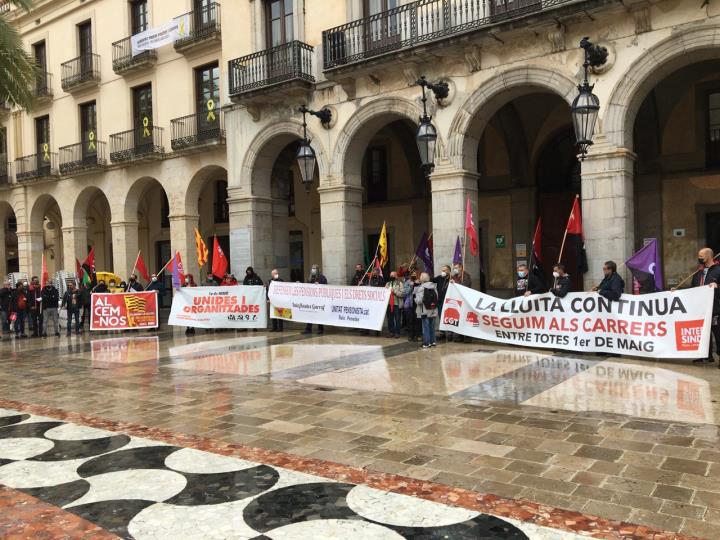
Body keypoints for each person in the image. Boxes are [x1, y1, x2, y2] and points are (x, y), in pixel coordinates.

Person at [685, 248, 720, 365]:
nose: (699, 259)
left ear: (709, 256)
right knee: (703, 333)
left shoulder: (718, 270)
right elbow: (692, 289)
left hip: (715, 309)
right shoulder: (698, 273)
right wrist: (677, 292)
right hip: (700, 309)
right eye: (698, 256)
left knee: (717, 333)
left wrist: (717, 286)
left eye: (701, 256)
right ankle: (706, 355)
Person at [415, 272, 438, 349]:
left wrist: (415, 298)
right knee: (432, 327)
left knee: (425, 327)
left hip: (424, 310)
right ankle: (433, 342)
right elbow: (436, 298)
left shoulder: (421, 288)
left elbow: (419, 301)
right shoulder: (434, 286)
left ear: (422, 279)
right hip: (433, 309)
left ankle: (426, 343)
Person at [302, 264, 327, 335]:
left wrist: (319, 284)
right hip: (311, 299)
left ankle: (320, 329)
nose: (313, 270)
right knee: (310, 314)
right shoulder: (310, 277)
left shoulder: (322, 277)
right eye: (312, 268)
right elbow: (307, 285)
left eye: (314, 268)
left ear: (317, 269)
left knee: (319, 314)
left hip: (319, 299)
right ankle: (308, 329)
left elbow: (325, 285)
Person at [385, 271, 405, 338]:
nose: (391, 277)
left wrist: (395, 291)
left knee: (397, 319)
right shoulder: (388, 283)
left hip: (397, 304)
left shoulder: (400, 284)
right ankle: (391, 332)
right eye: (391, 275)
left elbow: (402, 294)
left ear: (396, 276)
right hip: (389, 304)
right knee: (390, 319)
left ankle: (397, 333)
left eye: (393, 275)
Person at [434, 265, 451, 339]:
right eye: (442, 270)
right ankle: (442, 333)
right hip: (440, 301)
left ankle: (450, 333)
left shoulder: (452, 278)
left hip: (449, 302)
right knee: (441, 316)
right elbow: (430, 280)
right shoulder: (439, 278)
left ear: (449, 271)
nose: (443, 272)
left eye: (445, 270)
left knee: (449, 317)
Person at [404, 271, 421, 342]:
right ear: (410, 275)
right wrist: (411, 285)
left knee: (417, 320)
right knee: (410, 320)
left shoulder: (419, 282)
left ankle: (417, 335)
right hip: (410, 304)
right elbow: (406, 292)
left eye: (415, 274)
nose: (414, 275)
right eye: (413, 274)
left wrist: (418, 284)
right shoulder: (407, 282)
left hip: (417, 303)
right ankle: (410, 335)